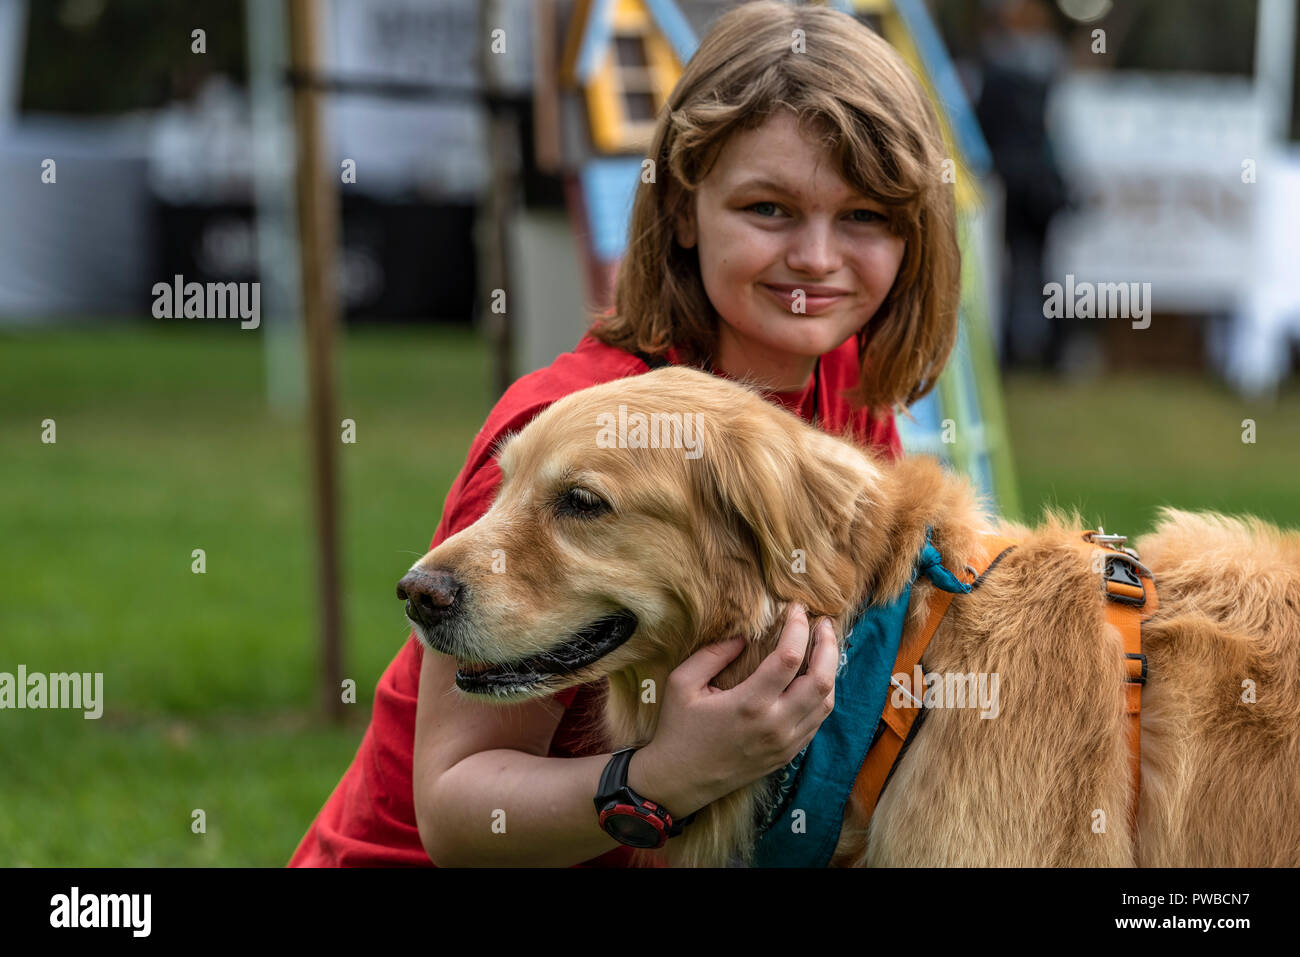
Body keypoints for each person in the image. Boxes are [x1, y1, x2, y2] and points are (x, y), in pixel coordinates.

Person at [288, 0, 960, 867]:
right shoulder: (571, 434)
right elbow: (455, 809)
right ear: (682, 209)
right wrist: (668, 773)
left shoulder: (849, 393)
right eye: (768, 208)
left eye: (865, 217)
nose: (817, 258)